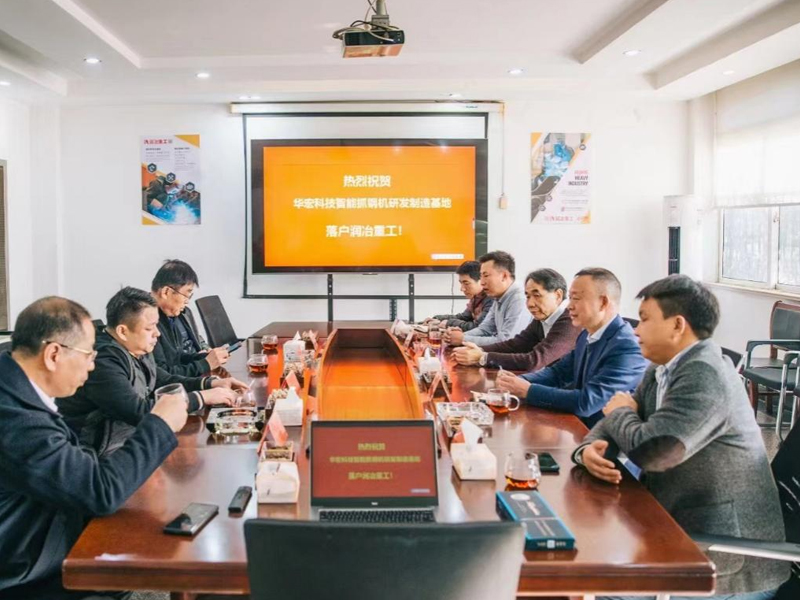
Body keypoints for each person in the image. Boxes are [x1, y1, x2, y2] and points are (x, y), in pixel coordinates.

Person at [573, 275, 789, 600]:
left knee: (590, 588)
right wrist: (588, 449)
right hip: (676, 531)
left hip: (727, 563)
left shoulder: (706, 374)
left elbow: (654, 452)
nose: (636, 330)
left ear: (677, 325)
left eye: (645, 319)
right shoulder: (662, 368)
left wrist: (619, 412)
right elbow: (616, 425)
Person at [0, 297, 188, 599]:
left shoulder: (14, 385)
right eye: (88, 354)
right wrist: (160, 424)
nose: (92, 364)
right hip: (27, 568)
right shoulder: (15, 419)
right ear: (53, 354)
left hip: (45, 526)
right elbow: (100, 492)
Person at [57, 287, 246, 455]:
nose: (158, 333)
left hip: (130, 441)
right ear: (123, 331)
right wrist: (202, 398)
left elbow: (163, 379)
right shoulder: (103, 361)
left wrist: (211, 383)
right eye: (150, 328)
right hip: (99, 456)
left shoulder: (136, 347)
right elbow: (138, 412)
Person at [497, 268, 646, 427]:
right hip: (578, 427)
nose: (569, 306)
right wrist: (518, 382)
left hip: (604, 436)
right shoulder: (586, 334)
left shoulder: (628, 347)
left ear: (603, 302)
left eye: (576, 298)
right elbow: (558, 373)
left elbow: (587, 402)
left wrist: (528, 390)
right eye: (570, 298)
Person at [452, 268, 580, 371]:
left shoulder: (570, 320)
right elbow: (515, 344)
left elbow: (535, 361)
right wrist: (478, 350)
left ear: (558, 295)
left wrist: (483, 357)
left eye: (537, 295)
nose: (530, 304)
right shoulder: (543, 317)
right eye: (528, 296)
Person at [150, 259, 229, 377]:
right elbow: (163, 375)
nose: (187, 301)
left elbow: (179, 356)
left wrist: (206, 355)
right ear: (166, 292)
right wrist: (204, 364)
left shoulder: (178, 313)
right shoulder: (147, 322)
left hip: (191, 374)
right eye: (186, 295)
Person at [443, 251, 531, 348]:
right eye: (481, 276)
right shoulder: (498, 296)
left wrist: (463, 339)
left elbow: (507, 341)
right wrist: (457, 336)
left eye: (486, 276)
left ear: (504, 276)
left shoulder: (519, 298)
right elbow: (485, 329)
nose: (482, 282)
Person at [425, 260, 493, 332]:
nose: (462, 289)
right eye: (461, 283)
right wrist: (438, 319)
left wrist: (449, 323)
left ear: (481, 280)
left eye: (466, 283)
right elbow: (464, 317)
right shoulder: (476, 297)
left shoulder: (491, 299)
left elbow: (478, 327)